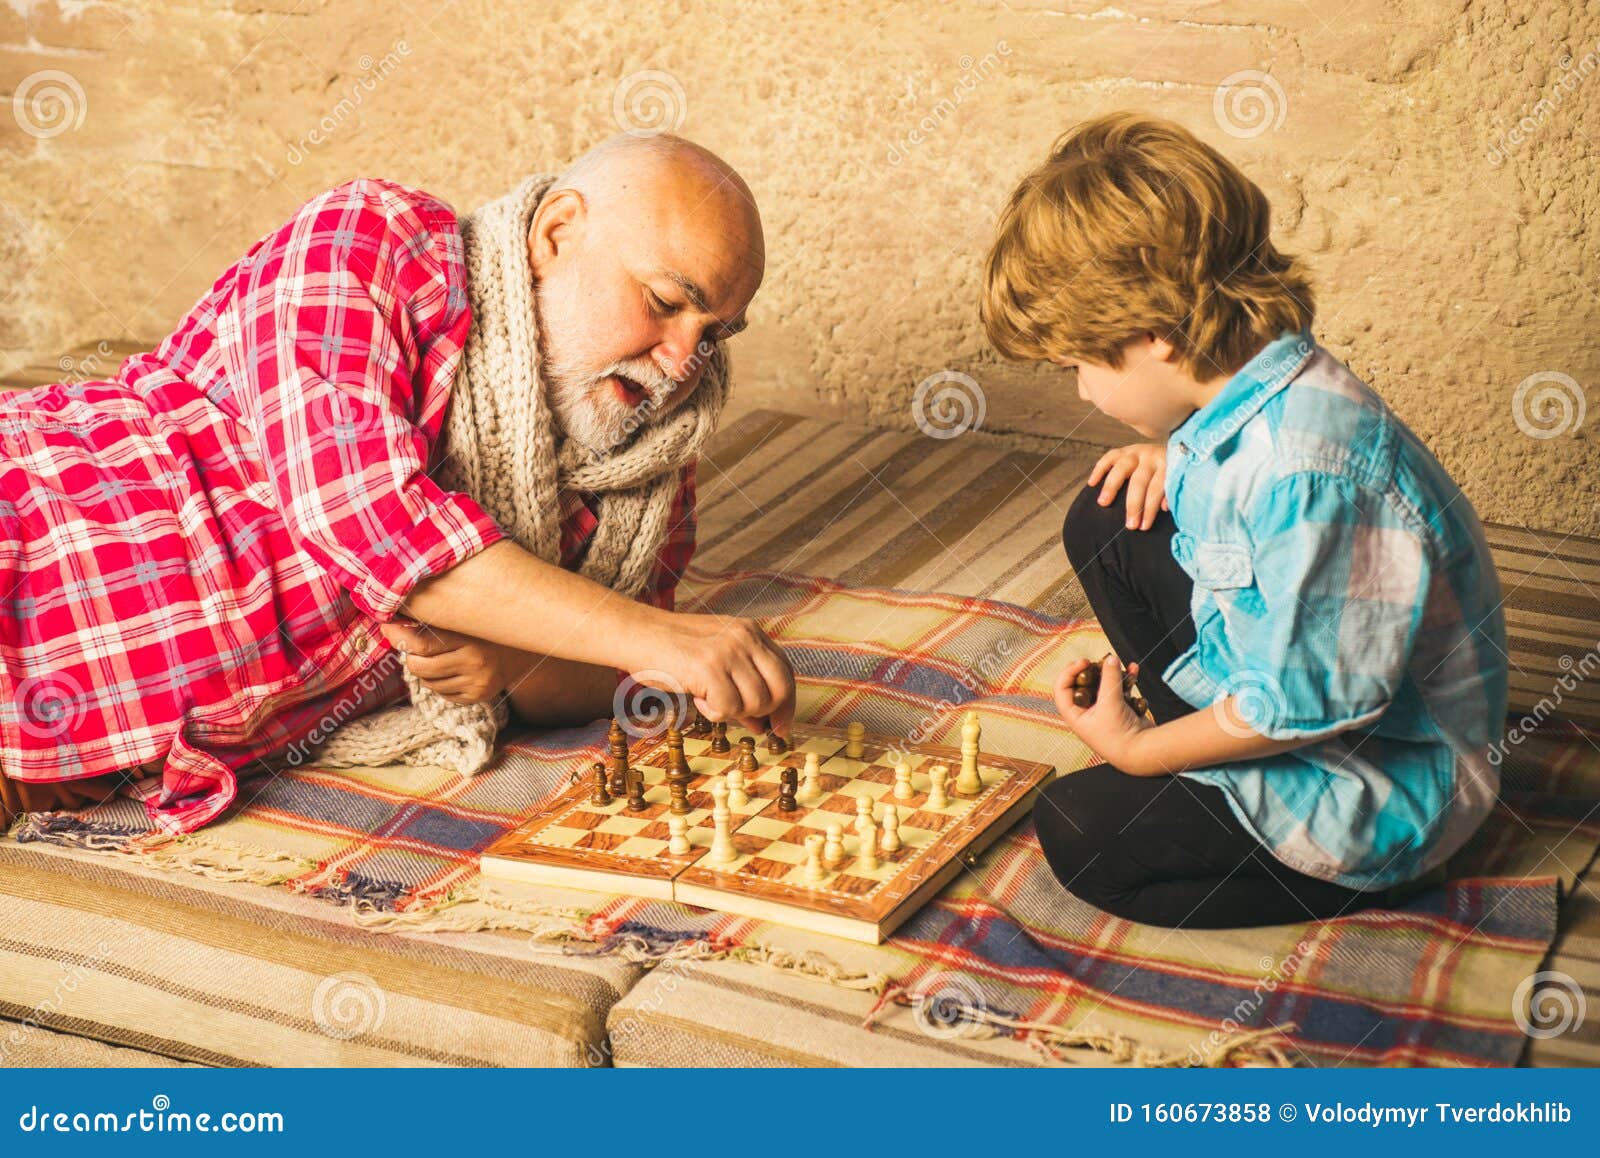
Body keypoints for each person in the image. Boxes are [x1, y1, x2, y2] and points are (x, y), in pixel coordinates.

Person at [0, 132, 793, 833]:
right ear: (557, 233)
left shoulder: (647, 469)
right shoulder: (372, 238)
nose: (683, 362)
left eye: (713, 334)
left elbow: (614, 670)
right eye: (663, 303)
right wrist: (665, 640)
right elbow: (368, 520)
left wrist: (518, 664)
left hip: (89, 763)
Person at [980, 112, 1507, 928]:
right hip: (1299, 681)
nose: (1082, 392)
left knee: (1080, 832)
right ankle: (1203, 759)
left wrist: (1136, 751)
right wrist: (1176, 453)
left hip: (1385, 782)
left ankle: (1374, 876)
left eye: (1079, 366)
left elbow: (1300, 708)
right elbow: (1238, 482)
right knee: (1108, 518)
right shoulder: (1259, 380)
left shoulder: (1310, 472)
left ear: (1154, 335)